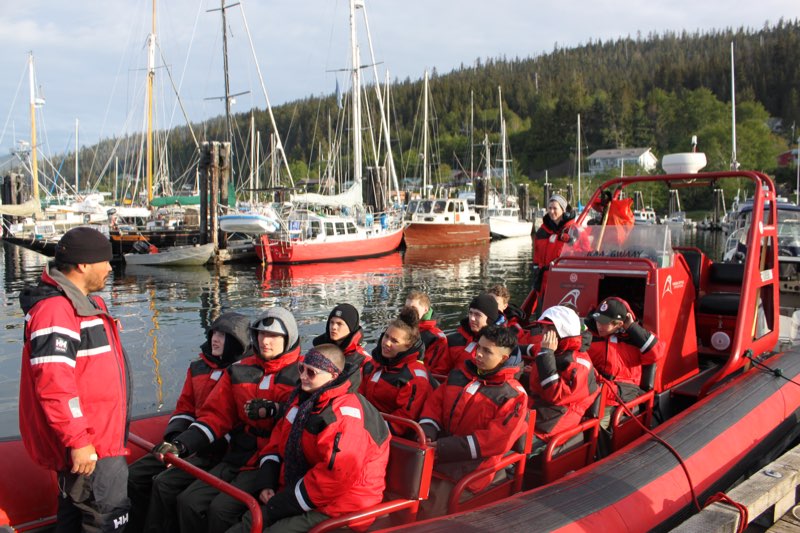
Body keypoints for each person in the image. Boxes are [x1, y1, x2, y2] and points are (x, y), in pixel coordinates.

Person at [18, 226, 131, 532]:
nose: (110, 267)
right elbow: (53, 385)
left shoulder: (86, 305)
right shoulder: (56, 311)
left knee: (74, 516)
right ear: (83, 265)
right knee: (104, 519)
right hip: (91, 448)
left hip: (100, 442)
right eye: (104, 261)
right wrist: (79, 441)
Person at [228, 344, 391, 533]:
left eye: (311, 373)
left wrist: (282, 503)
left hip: (344, 503)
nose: (303, 376)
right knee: (250, 520)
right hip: (308, 489)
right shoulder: (302, 400)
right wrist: (267, 480)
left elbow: (336, 477)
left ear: (332, 376)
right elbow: (278, 442)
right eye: (301, 369)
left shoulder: (344, 416)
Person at [170, 308, 301, 533]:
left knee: (220, 510)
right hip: (239, 452)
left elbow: (299, 418)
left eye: (273, 336)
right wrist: (182, 444)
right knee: (188, 501)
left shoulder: (303, 374)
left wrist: (277, 410)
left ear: (288, 338)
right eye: (260, 334)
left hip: (272, 459)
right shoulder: (239, 370)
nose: (265, 341)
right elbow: (216, 415)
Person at [126, 311, 252, 533]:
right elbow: (184, 408)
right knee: (135, 475)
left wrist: (188, 445)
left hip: (214, 449)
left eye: (223, 335)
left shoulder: (243, 375)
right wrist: (175, 439)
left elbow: (228, 421)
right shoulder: (198, 368)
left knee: (165, 485)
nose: (215, 338)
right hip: (188, 442)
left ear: (237, 340)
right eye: (214, 333)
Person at [418, 325, 529, 518]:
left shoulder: (513, 395)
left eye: (487, 352)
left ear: (503, 358)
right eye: (479, 347)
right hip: (439, 451)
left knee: (430, 510)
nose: (478, 354)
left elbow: (496, 440)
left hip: (475, 467)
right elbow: (435, 404)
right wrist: (427, 431)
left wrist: (444, 447)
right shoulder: (460, 374)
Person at [527, 305, 600, 452]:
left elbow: (555, 395)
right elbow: (527, 349)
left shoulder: (578, 364)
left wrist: (546, 354)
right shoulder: (555, 349)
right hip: (540, 411)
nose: (544, 333)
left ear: (562, 332)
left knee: (509, 451)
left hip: (555, 421)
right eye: (543, 328)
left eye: (549, 329)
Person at [360, 307, 436, 434]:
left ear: (408, 345)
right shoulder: (374, 364)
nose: (386, 343)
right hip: (369, 422)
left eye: (394, 341)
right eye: (386, 336)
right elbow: (359, 394)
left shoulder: (414, 377)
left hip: (390, 434)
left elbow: (404, 419)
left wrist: (368, 427)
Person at [584, 297, 664, 408]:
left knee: (593, 423)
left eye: (604, 322)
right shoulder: (590, 335)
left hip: (621, 399)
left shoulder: (636, 339)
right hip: (593, 392)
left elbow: (656, 353)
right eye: (597, 320)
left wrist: (632, 328)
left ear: (619, 324)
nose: (599, 325)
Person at [436, 293, 501, 376]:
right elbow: (440, 372)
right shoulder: (453, 341)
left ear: (489, 319)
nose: (472, 318)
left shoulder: (501, 343)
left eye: (477, 315)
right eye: (471, 313)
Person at [532, 194, 576, 306]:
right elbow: (536, 257)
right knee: (542, 314)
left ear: (563, 210)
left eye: (555, 208)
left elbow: (584, 253)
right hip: (543, 283)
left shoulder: (574, 230)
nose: (551, 211)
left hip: (564, 281)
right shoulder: (542, 231)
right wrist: (536, 272)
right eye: (549, 208)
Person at [312, 303, 371, 371]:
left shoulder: (364, 361)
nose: (333, 327)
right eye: (331, 322)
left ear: (350, 328)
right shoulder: (318, 351)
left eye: (339, 324)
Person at [404, 289, 448, 370]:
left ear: (425, 310)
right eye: (406, 307)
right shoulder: (401, 328)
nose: (408, 311)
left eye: (413, 308)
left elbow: (430, 368)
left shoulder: (436, 337)